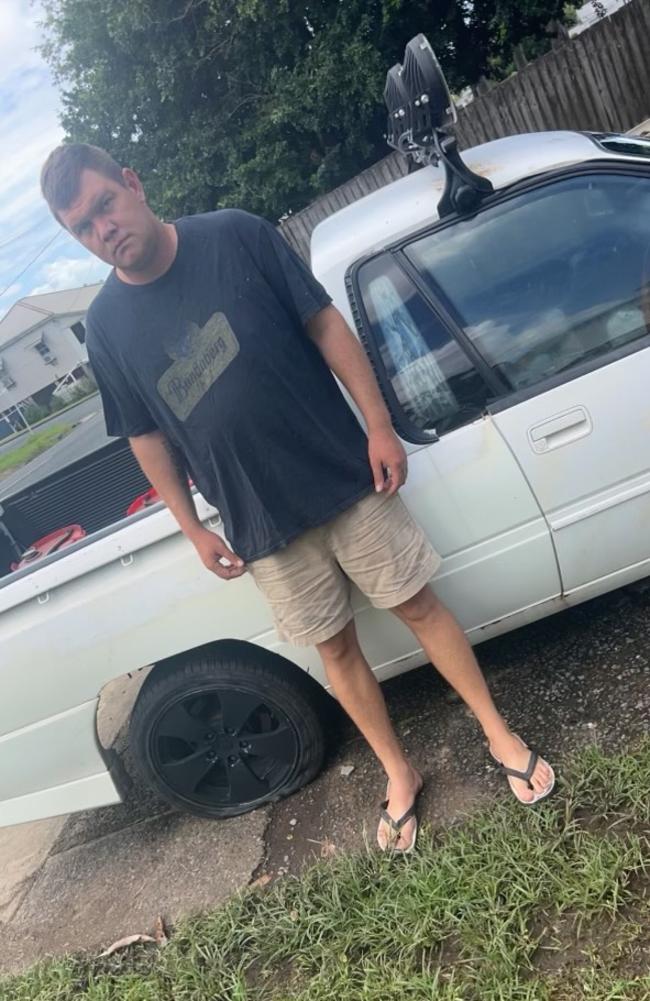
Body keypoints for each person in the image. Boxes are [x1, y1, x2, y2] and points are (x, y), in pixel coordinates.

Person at [40, 144, 555, 852]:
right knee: (337, 651)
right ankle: (398, 772)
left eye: (104, 204)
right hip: (258, 522)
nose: (103, 229)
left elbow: (324, 325)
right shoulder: (105, 327)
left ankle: (499, 732)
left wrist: (377, 424)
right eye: (82, 227)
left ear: (133, 182)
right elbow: (146, 436)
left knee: (417, 604)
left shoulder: (235, 235)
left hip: (344, 473)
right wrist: (192, 527)